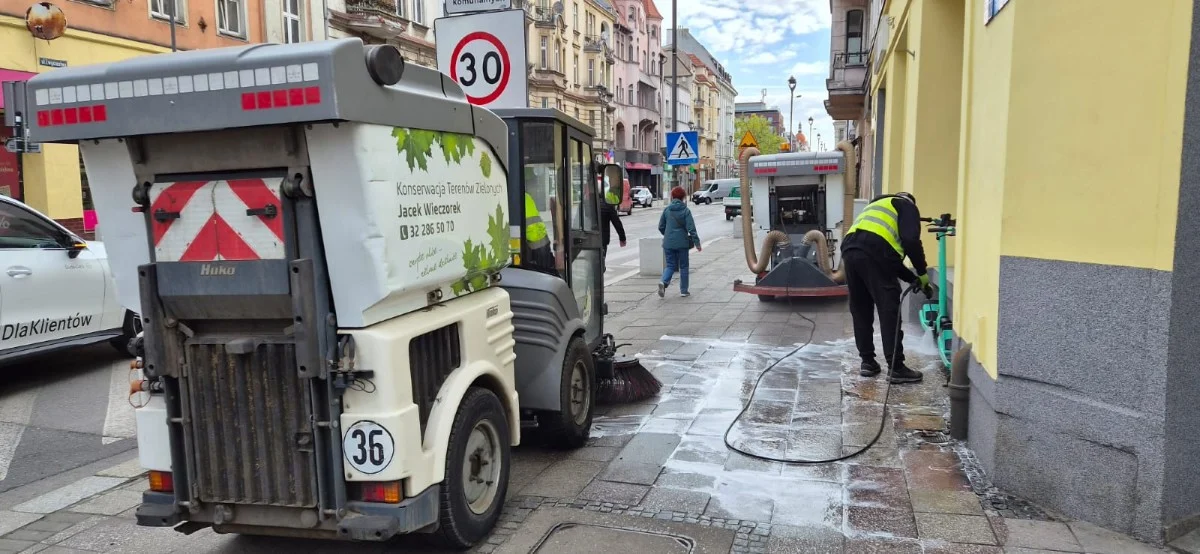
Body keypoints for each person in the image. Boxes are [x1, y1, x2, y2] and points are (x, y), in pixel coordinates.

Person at [840, 191, 932, 384]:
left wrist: (912, 278)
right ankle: (896, 367)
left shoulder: (877, 207)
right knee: (889, 310)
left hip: (850, 250)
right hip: (875, 252)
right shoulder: (906, 205)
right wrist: (923, 273)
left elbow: (887, 256)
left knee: (861, 309)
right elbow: (910, 240)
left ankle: (868, 362)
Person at [657, 186, 701, 298]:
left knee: (670, 265)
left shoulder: (667, 210)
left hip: (668, 243)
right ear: (683, 198)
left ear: (672, 197)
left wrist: (667, 235)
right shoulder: (686, 211)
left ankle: (664, 281)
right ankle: (683, 290)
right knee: (684, 266)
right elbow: (691, 229)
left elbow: (661, 226)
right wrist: (697, 243)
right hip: (682, 243)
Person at [600, 177, 627, 273]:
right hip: (602, 240)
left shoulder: (585, 204)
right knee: (600, 265)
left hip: (586, 240)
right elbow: (617, 222)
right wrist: (622, 238)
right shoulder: (607, 204)